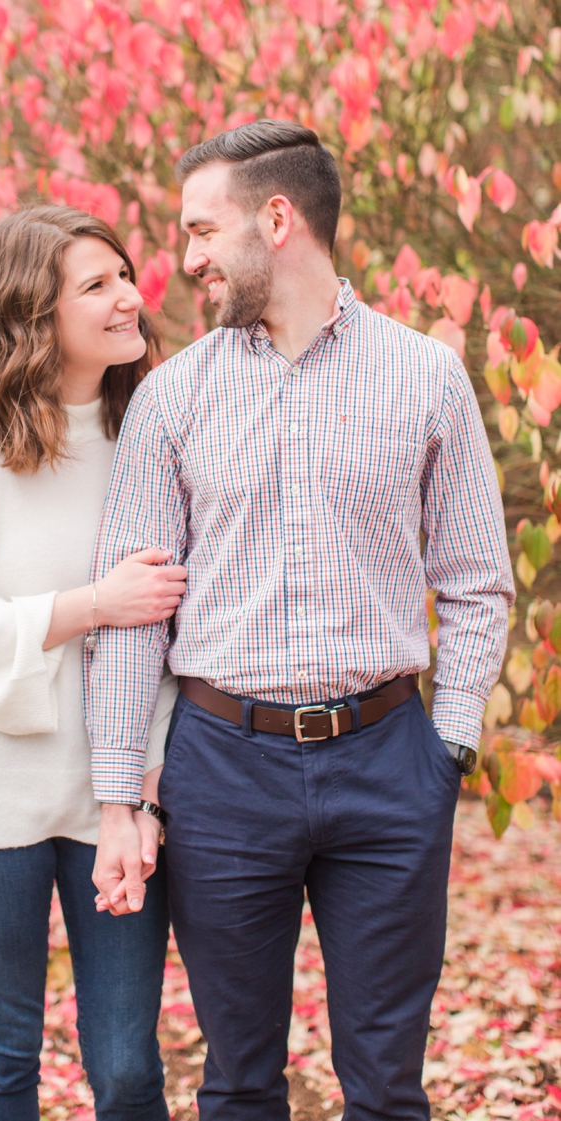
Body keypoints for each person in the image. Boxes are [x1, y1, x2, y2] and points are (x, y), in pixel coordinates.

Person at [85, 120, 513, 1121]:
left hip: (388, 760)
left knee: (388, 1087)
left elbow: (477, 579)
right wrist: (121, 790)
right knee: (236, 1084)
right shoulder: (170, 400)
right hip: (224, 770)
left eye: (202, 228)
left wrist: (445, 742)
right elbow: (133, 611)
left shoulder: (425, 376)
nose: (184, 258)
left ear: (277, 220)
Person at [0, 204, 188, 1121]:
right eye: (95, 285)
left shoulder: (152, 428)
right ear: (33, 312)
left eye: (125, 276)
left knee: (130, 1065)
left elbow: (177, 631)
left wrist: (139, 793)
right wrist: (91, 605)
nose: (128, 298)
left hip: (117, 798)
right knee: (5, 1053)